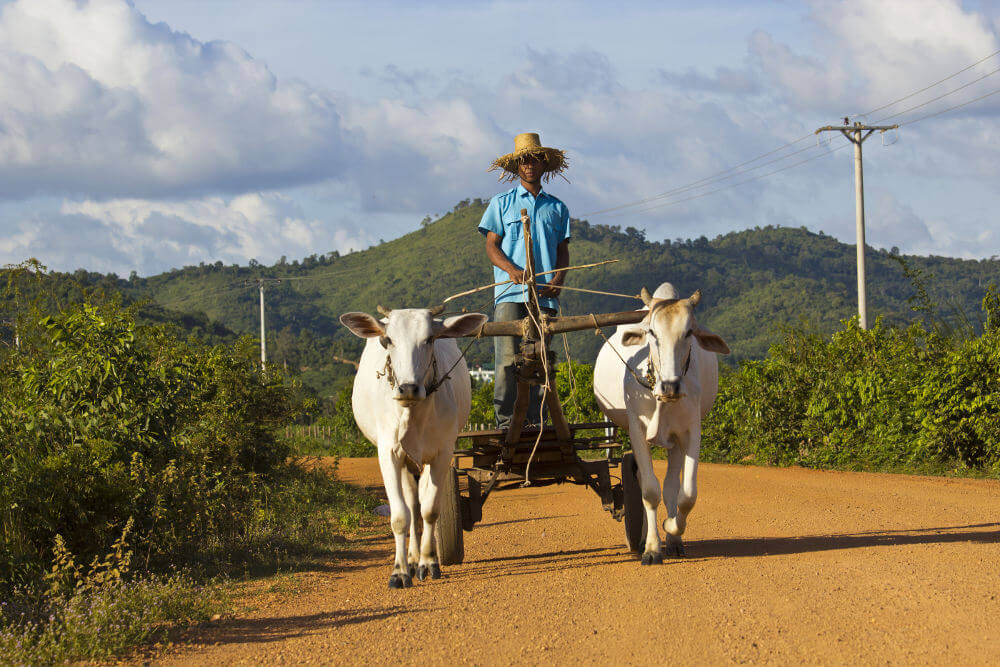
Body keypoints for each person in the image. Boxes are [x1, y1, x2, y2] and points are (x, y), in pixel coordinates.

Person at [478, 132, 570, 429]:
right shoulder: (501, 203)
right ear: (517, 167)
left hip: (545, 298)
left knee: (541, 362)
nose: (529, 165)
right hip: (509, 295)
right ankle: (507, 423)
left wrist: (558, 279)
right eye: (524, 160)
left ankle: (536, 422)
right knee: (507, 361)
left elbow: (562, 252)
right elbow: (492, 246)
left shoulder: (557, 208)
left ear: (544, 165)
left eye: (534, 160)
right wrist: (511, 270)